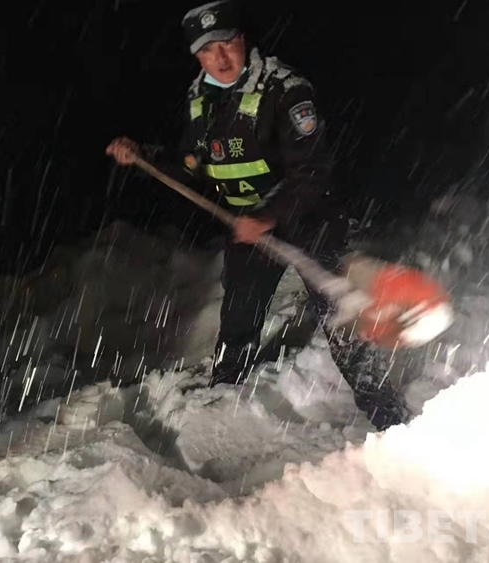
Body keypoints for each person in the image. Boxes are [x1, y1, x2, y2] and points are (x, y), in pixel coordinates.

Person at [106, 0, 404, 430]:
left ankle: (390, 418)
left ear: (243, 40)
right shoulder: (199, 99)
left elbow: (313, 172)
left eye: (227, 43)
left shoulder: (286, 90)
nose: (221, 58)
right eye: (207, 50)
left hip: (308, 221)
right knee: (237, 322)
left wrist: (267, 216)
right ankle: (219, 412)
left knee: (342, 316)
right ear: (196, 56)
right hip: (247, 228)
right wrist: (143, 156)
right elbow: (192, 165)